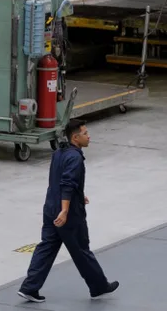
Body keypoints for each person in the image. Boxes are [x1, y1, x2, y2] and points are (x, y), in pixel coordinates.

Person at [18, 119, 119, 303]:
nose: (89, 136)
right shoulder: (75, 157)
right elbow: (67, 183)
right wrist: (65, 210)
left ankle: (29, 287)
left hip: (50, 208)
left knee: (47, 246)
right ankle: (98, 286)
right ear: (75, 137)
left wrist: (79, 196)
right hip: (68, 214)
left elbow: (60, 181)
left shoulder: (59, 153)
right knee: (81, 249)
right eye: (85, 133)